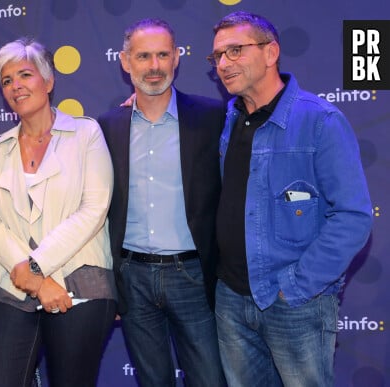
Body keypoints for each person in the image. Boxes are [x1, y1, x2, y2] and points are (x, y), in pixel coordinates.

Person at [209, 11, 373, 386]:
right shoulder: (229, 120)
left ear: (271, 53)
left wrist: (296, 286)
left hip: (295, 302)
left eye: (235, 50)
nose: (223, 63)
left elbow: (353, 216)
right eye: (217, 56)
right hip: (231, 299)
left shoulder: (320, 121)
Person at [0, 37, 116, 387]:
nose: (16, 86)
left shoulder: (86, 133)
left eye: (25, 75)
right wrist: (33, 278)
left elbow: (94, 209)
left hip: (80, 281)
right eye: (7, 81)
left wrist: (36, 268)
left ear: (49, 80)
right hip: (14, 283)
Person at [98, 18, 226, 386]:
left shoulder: (213, 117)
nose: (153, 66)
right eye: (143, 56)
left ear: (176, 59)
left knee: (209, 379)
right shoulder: (106, 127)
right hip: (133, 278)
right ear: (125, 62)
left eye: (162, 55)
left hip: (194, 275)